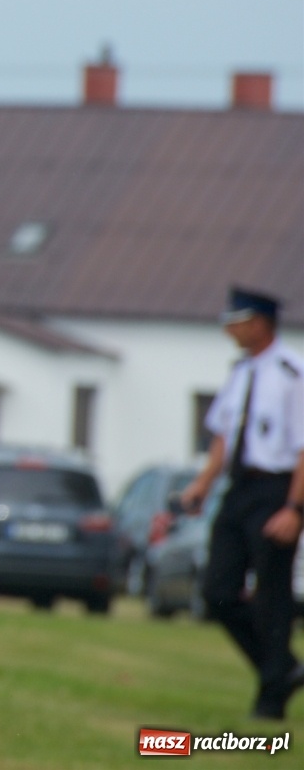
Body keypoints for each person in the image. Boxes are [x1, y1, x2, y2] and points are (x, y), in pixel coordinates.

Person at [181, 286, 304, 720]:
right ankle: (283, 669)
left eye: (236, 322)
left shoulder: (293, 373)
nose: (229, 330)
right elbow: (223, 437)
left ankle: (271, 699)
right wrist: (201, 485)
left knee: (272, 596)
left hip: (277, 489)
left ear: (259, 323)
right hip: (239, 489)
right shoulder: (240, 373)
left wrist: (295, 509)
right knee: (217, 591)